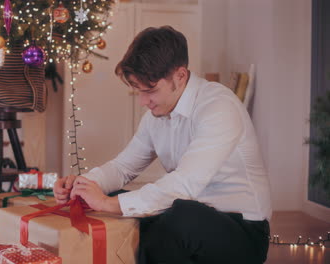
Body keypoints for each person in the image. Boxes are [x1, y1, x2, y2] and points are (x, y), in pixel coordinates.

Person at [54, 26, 272, 264]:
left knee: (178, 216)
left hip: (242, 232)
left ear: (180, 76)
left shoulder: (219, 107)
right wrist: (85, 186)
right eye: (138, 91)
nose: (143, 101)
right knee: (120, 198)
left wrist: (107, 203)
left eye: (150, 91)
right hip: (188, 216)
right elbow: (123, 168)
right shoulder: (156, 115)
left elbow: (183, 185)